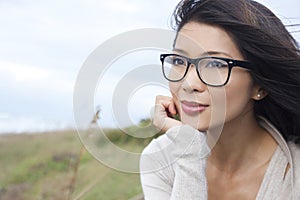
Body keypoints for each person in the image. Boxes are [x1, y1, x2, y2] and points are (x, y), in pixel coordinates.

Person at [139, 0, 300, 199]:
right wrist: (190, 152)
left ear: (260, 85)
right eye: (179, 61)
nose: (189, 84)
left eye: (215, 64)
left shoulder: (294, 174)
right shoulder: (160, 158)